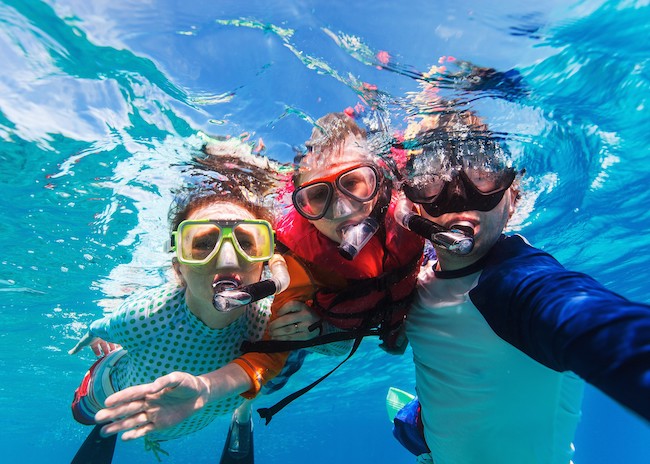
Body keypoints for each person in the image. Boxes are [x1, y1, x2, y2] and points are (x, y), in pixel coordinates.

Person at [91, 112, 426, 438]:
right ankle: (243, 403)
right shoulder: (296, 265)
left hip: (383, 322)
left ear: (379, 179)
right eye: (318, 196)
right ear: (301, 207)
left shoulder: (418, 213)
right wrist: (207, 389)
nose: (342, 210)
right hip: (321, 332)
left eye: (353, 183)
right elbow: (267, 356)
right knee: (280, 368)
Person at [392, 110, 650, 463]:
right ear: (414, 202)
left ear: (512, 197)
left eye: (483, 174)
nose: (459, 195)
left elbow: (598, 327)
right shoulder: (417, 277)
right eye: (432, 179)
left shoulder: (516, 284)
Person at [68, 187, 290, 463]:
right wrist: (95, 334)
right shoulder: (146, 314)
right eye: (204, 244)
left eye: (245, 243)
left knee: (275, 375)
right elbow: (103, 325)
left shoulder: (272, 321)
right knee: (81, 415)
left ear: (264, 265)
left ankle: (243, 408)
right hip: (117, 390)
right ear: (178, 268)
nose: (228, 258)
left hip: (200, 411)